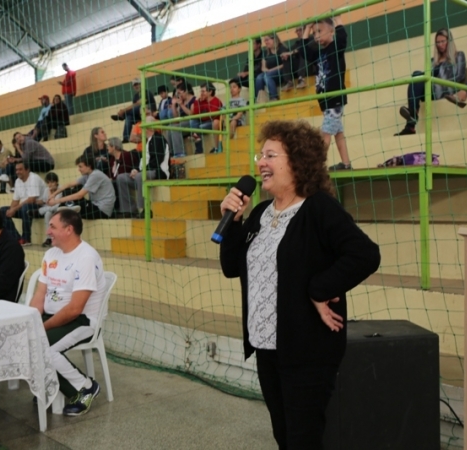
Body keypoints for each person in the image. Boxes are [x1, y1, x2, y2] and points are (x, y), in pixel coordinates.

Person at [219, 120, 380, 449]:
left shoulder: (318, 208)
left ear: (297, 161)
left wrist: (319, 289)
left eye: (271, 155)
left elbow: (365, 254)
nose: (261, 163)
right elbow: (230, 267)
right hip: (267, 348)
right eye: (260, 155)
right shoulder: (261, 212)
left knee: (303, 439)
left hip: (307, 351)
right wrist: (233, 222)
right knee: (284, 436)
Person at [29, 209, 107, 416]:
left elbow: (74, 309)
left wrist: (42, 326)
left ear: (69, 229)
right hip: (54, 317)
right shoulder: (51, 253)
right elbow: (40, 294)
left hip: (81, 321)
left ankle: (85, 387)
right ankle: (52, 384)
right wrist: (30, 321)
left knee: (44, 346)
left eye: (52, 227)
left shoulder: (86, 258)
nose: (48, 231)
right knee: (25, 339)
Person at [395, 28, 466, 135]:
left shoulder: (459, 55)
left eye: (443, 41)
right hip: (432, 90)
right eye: (438, 42)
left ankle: (411, 123)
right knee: (416, 76)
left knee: (417, 75)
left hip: (447, 89)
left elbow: (461, 76)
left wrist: (440, 82)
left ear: (449, 41)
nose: (440, 45)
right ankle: (412, 119)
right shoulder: (434, 61)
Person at [303, 17, 350, 170]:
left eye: (319, 31)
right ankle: (346, 163)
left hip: (335, 99)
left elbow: (342, 39)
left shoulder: (335, 48)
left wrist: (338, 23)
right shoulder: (318, 54)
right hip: (325, 101)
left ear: (331, 31)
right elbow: (305, 51)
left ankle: (316, 167)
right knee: (338, 133)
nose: (316, 35)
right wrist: (307, 29)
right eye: (314, 32)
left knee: (325, 134)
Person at [116, 117, 169, 218]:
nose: (140, 130)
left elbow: (156, 161)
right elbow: (142, 160)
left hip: (158, 171)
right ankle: (129, 210)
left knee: (140, 176)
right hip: (144, 171)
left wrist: (140, 171)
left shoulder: (159, 139)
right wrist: (135, 169)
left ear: (148, 128)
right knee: (121, 178)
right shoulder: (146, 141)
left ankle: (144, 209)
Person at [48, 155, 116, 219]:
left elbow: (79, 195)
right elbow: (68, 185)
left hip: (102, 211)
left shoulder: (95, 175)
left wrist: (56, 201)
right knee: (67, 191)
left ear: (89, 166)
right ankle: (68, 208)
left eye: (80, 166)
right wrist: (53, 195)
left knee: (72, 204)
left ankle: (65, 209)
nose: (79, 169)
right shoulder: (87, 175)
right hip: (94, 206)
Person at [0, 161, 46, 246]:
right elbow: (15, 200)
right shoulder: (17, 181)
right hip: (25, 207)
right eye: (16, 170)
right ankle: (16, 239)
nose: (17, 172)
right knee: (2, 210)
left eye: (20, 169)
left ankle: (26, 239)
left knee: (25, 207)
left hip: (39, 207)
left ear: (27, 169)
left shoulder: (34, 178)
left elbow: (32, 200)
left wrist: (15, 209)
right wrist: (11, 210)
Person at [111, 78, 157, 143]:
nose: (136, 86)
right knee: (129, 117)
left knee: (136, 108)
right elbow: (134, 108)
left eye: (137, 84)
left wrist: (123, 111)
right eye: (134, 85)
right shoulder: (135, 96)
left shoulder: (146, 92)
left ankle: (122, 116)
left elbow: (139, 103)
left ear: (141, 84)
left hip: (149, 114)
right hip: (139, 116)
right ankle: (126, 138)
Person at [30, 172, 68, 248]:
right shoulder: (46, 189)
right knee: (47, 213)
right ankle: (48, 238)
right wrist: (40, 201)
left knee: (53, 208)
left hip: (58, 208)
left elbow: (56, 203)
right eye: (48, 182)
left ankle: (39, 212)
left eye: (52, 182)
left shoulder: (60, 189)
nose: (50, 184)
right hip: (49, 209)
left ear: (56, 182)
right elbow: (45, 201)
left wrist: (47, 203)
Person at [280, 25, 319, 91]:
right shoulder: (297, 43)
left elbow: (303, 48)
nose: (298, 32)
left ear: (305, 30)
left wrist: (290, 53)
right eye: (296, 31)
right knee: (286, 58)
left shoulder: (312, 39)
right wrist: (285, 54)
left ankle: (301, 79)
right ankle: (289, 82)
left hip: (310, 67)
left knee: (303, 53)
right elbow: (288, 51)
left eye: (300, 30)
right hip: (298, 69)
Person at [254, 34, 288, 102]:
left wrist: (270, 71)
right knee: (259, 78)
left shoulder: (281, 48)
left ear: (274, 39)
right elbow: (263, 67)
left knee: (267, 76)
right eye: (264, 41)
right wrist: (266, 70)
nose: (266, 42)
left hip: (282, 72)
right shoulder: (265, 52)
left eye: (267, 40)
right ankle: (259, 99)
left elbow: (285, 64)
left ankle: (274, 97)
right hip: (269, 72)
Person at [191, 83, 223, 154]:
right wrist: (197, 101)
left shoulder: (216, 101)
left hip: (212, 122)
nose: (201, 93)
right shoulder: (201, 101)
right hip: (203, 121)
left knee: (200, 127)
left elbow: (212, 115)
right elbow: (195, 113)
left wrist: (201, 116)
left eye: (203, 91)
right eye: (201, 91)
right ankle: (196, 137)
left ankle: (195, 133)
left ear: (210, 92)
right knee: (193, 121)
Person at [169, 85, 199, 157]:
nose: (178, 95)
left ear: (186, 91)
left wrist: (182, 105)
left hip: (192, 122)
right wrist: (173, 105)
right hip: (183, 123)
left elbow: (192, 115)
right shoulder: (182, 102)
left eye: (179, 93)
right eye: (177, 94)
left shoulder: (194, 100)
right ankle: (171, 152)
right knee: (169, 128)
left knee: (175, 128)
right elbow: (176, 119)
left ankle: (180, 153)